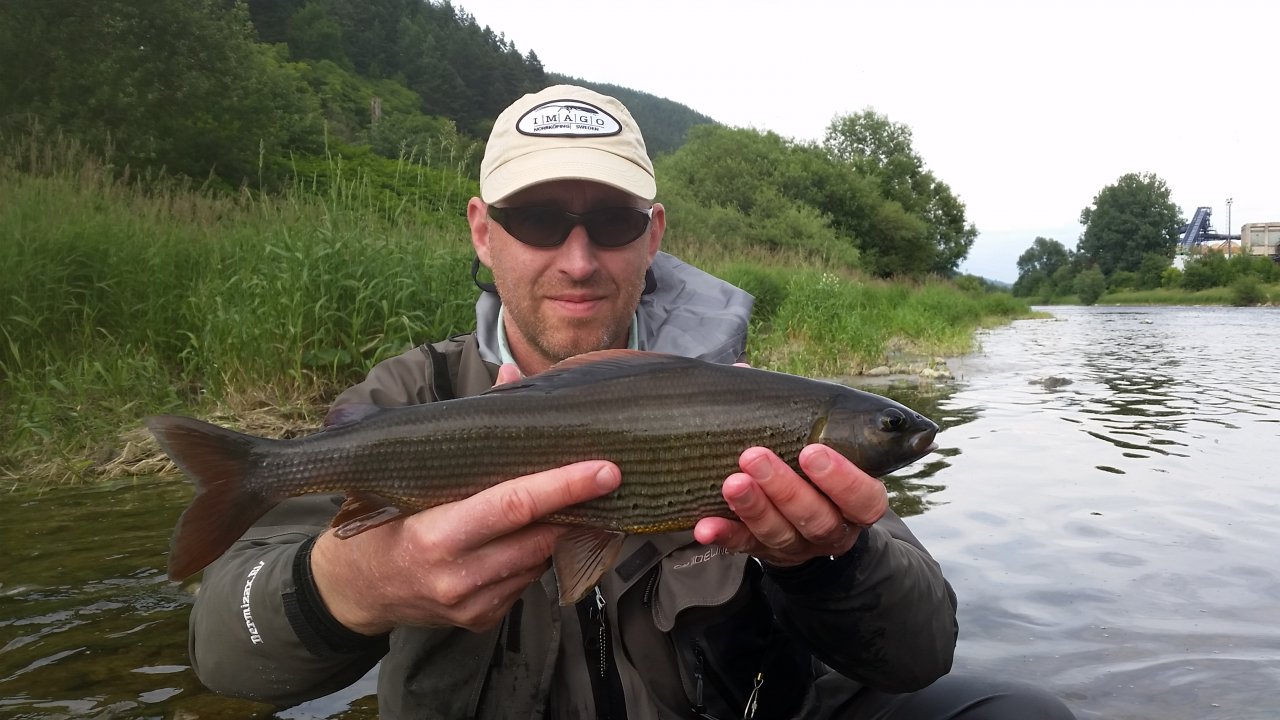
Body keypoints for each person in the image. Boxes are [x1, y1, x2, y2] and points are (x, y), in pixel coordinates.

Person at [187, 85, 1075, 719]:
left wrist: (831, 565)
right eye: (539, 220)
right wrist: (349, 585)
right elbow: (226, 653)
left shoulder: (747, 399)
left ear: (652, 235)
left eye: (611, 223)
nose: (578, 260)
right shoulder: (409, 399)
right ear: (483, 232)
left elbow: (920, 650)